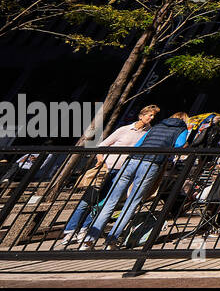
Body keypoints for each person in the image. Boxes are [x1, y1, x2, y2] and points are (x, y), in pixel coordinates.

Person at [81, 111, 189, 249]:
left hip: (132, 160)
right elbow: (178, 145)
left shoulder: (156, 126)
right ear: (184, 120)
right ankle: (111, 240)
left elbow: (139, 143)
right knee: (132, 203)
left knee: (111, 200)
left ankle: (88, 240)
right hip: (151, 163)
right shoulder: (181, 129)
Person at [60, 106, 159, 246]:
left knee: (102, 203)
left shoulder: (149, 133)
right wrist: (101, 160)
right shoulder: (124, 130)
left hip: (124, 171)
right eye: (149, 115)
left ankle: (84, 229)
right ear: (141, 116)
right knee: (87, 201)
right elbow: (102, 145)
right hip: (108, 168)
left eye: (154, 116)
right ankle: (69, 231)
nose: (151, 118)